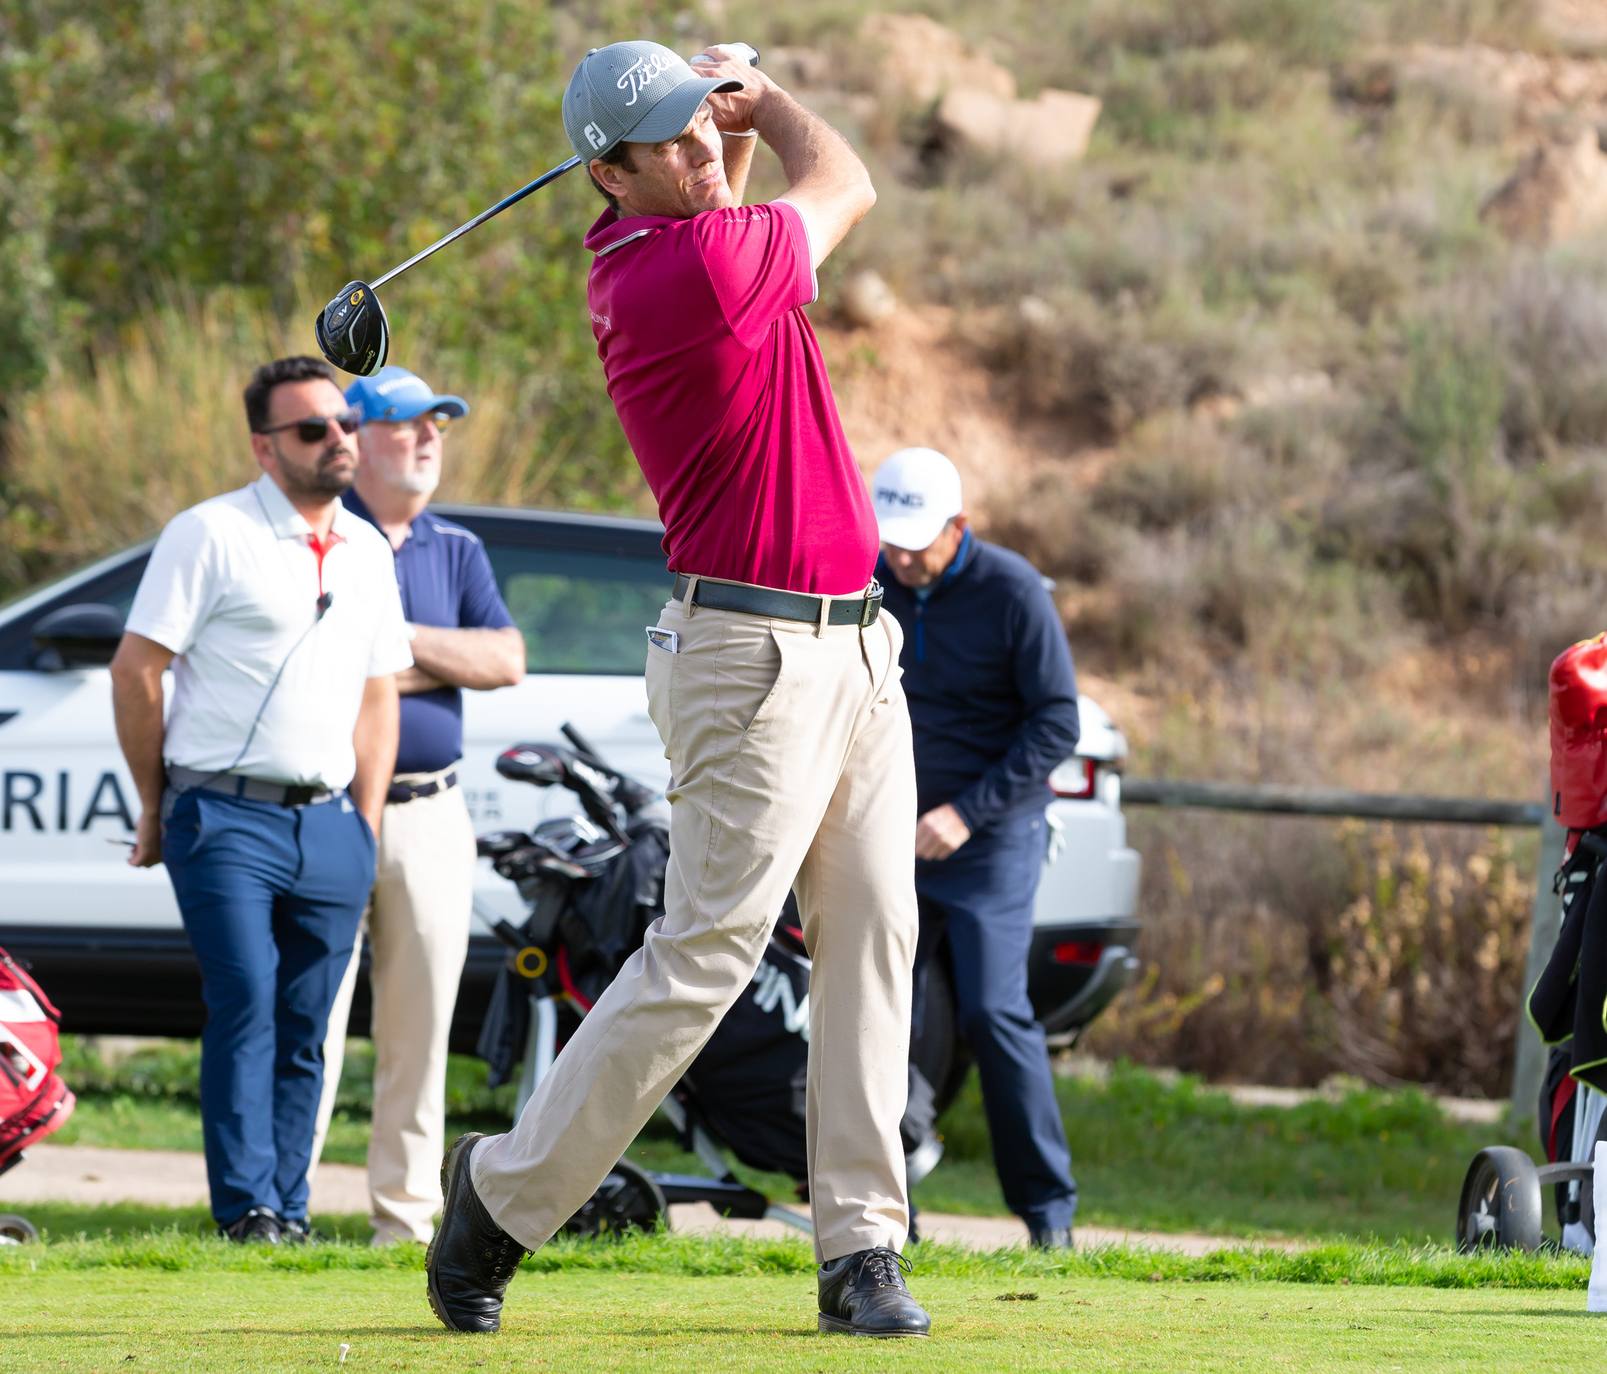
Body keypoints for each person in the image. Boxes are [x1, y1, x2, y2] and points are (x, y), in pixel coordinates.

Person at [425, 40, 931, 1339]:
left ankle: (859, 1248)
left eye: (705, 128)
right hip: (749, 656)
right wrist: (766, 101)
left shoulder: (690, 235)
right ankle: (498, 1197)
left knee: (874, 937)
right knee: (704, 955)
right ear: (609, 173)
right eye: (675, 138)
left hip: (857, 644)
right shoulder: (685, 273)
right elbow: (847, 180)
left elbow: (746, 188)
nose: (704, 147)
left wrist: (723, 124)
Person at [108, 355, 413, 1243]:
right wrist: (156, 801)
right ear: (264, 447)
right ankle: (246, 1209)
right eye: (312, 430)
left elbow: (378, 690)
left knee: (307, 1023)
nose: (338, 441)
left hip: (330, 825)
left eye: (344, 425)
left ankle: (291, 1206)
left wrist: (367, 820)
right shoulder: (209, 534)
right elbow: (137, 668)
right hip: (223, 813)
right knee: (245, 998)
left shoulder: (366, 547)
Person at [306, 366, 524, 1245]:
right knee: (310, 1020)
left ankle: (403, 1222)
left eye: (439, 421)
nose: (428, 437)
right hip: (327, 808)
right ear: (357, 441)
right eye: (405, 423)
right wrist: (436, 655)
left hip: (432, 812)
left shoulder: (455, 548)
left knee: (420, 1029)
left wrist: (392, 647)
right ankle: (279, 1210)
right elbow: (325, 666)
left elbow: (506, 658)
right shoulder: (321, 534)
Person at [871, 446, 1082, 1250]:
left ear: (959, 526)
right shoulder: (870, 578)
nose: (900, 556)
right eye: (888, 538)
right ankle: (889, 1218)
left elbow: (1055, 720)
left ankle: (1048, 1217)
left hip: (990, 836)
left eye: (916, 540)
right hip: (887, 830)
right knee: (880, 1015)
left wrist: (965, 812)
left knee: (994, 1013)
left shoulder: (1011, 591)